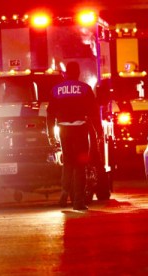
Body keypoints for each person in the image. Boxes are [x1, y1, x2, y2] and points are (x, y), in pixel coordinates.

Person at [48, 61, 98, 211]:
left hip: (64, 130)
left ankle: (64, 193)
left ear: (66, 73)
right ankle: (78, 201)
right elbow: (94, 112)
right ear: (78, 73)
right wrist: (99, 132)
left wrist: (51, 134)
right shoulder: (85, 89)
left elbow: (50, 113)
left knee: (68, 163)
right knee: (80, 165)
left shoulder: (56, 90)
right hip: (80, 130)